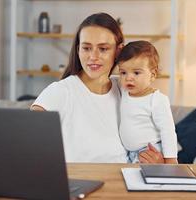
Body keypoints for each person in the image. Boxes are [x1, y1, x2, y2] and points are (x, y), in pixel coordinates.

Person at [31, 13, 126, 163]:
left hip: (121, 180)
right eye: (87, 48)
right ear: (78, 50)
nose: (93, 56)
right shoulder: (60, 91)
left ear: (118, 51)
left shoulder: (125, 90)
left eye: (103, 49)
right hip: (78, 182)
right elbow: (27, 140)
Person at [117, 40, 178, 164]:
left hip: (150, 151)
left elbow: (168, 131)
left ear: (153, 74)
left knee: (149, 181)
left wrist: (171, 160)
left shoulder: (157, 99)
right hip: (129, 154)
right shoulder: (123, 92)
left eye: (136, 72)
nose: (128, 77)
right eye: (123, 72)